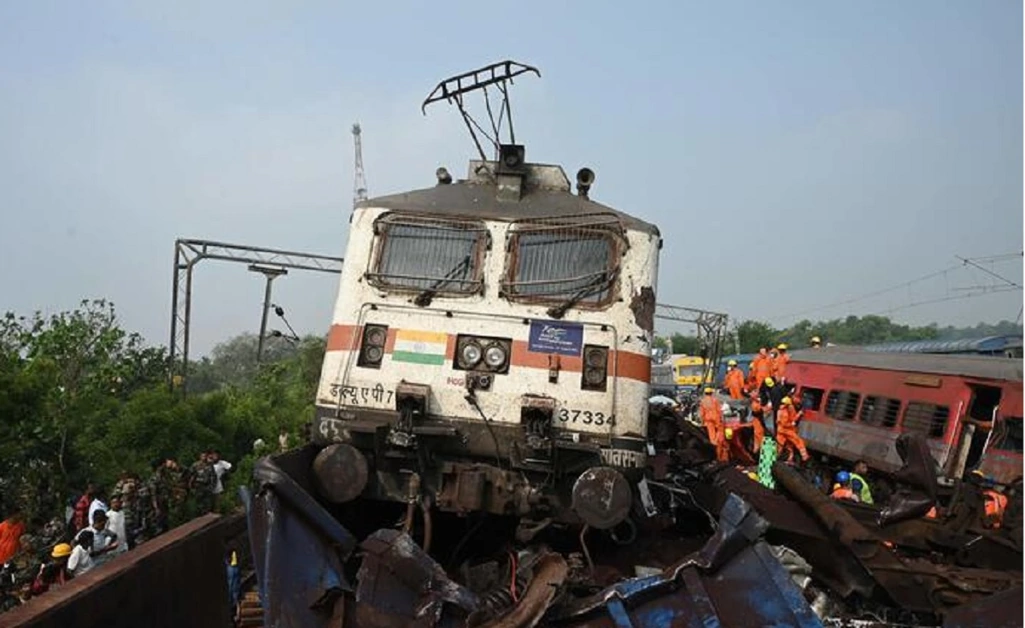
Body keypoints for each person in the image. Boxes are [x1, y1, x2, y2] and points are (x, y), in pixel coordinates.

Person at [775, 397, 810, 463]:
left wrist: (798, 415)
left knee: (786, 446)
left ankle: (788, 459)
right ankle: (805, 457)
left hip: (780, 430)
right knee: (798, 442)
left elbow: (792, 418)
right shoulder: (784, 412)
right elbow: (786, 423)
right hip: (786, 430)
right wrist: (792, 424)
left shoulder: (780, 410)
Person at [699, 387, 729, 462]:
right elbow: (719, 410)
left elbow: (702, 413)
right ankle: (719, 446)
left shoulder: (703, 401)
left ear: (705, 393)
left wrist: (702, 422)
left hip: (708, 420)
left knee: (712, 436)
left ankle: (714, 446)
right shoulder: (715, 400)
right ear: (711, 393)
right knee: (720, 434)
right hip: (716, 418)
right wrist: (722, 419)